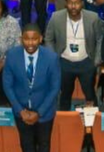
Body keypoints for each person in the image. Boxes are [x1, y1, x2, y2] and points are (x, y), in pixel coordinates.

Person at [4, 23, 62, 152]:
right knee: (26, 145)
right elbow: (8, 85)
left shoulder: (51, 58)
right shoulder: (12, 55)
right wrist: (20, 110)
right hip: (21, 112)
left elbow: (55, 87)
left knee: (44, 144)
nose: (30, 43)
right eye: (26, 38)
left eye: (34, 39)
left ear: (41, 39)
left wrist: (39, 112)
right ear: (21, 39)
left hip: (44, 112)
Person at [44, 0, 104, 110]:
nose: (73, 6)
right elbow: (48, 38)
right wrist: (54, 58)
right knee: (65, 94)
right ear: (66, 4)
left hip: (86, 62)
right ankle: (65, 117)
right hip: (64, 63)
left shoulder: (93, 18)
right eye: (70, 3)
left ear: (82, 4)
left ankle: (93, 120)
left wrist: (96, 60)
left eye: (76, 3)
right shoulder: (56, 17)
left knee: (90, 94)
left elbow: (100, 39)